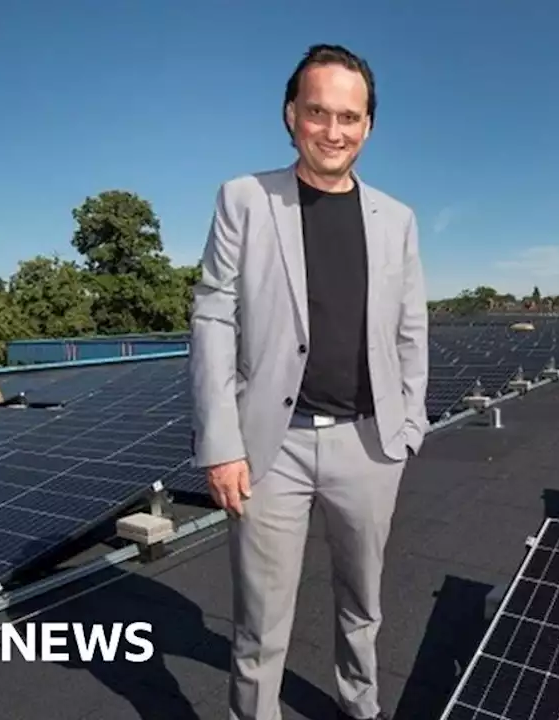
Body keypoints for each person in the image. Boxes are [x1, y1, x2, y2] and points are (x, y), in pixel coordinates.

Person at [189, 43, 429, 720]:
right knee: (259, 626)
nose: (334, 130)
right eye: (318, 112)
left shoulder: (398, 219)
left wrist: (407, 430)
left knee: (364, 607)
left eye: (349, 117)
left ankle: (361, 708)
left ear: (369, 126)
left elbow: (413, 332)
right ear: (291, 115)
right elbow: (212, 316)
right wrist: (222, 443)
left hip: (369, 444)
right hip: (272, 450)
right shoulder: (244, 199)